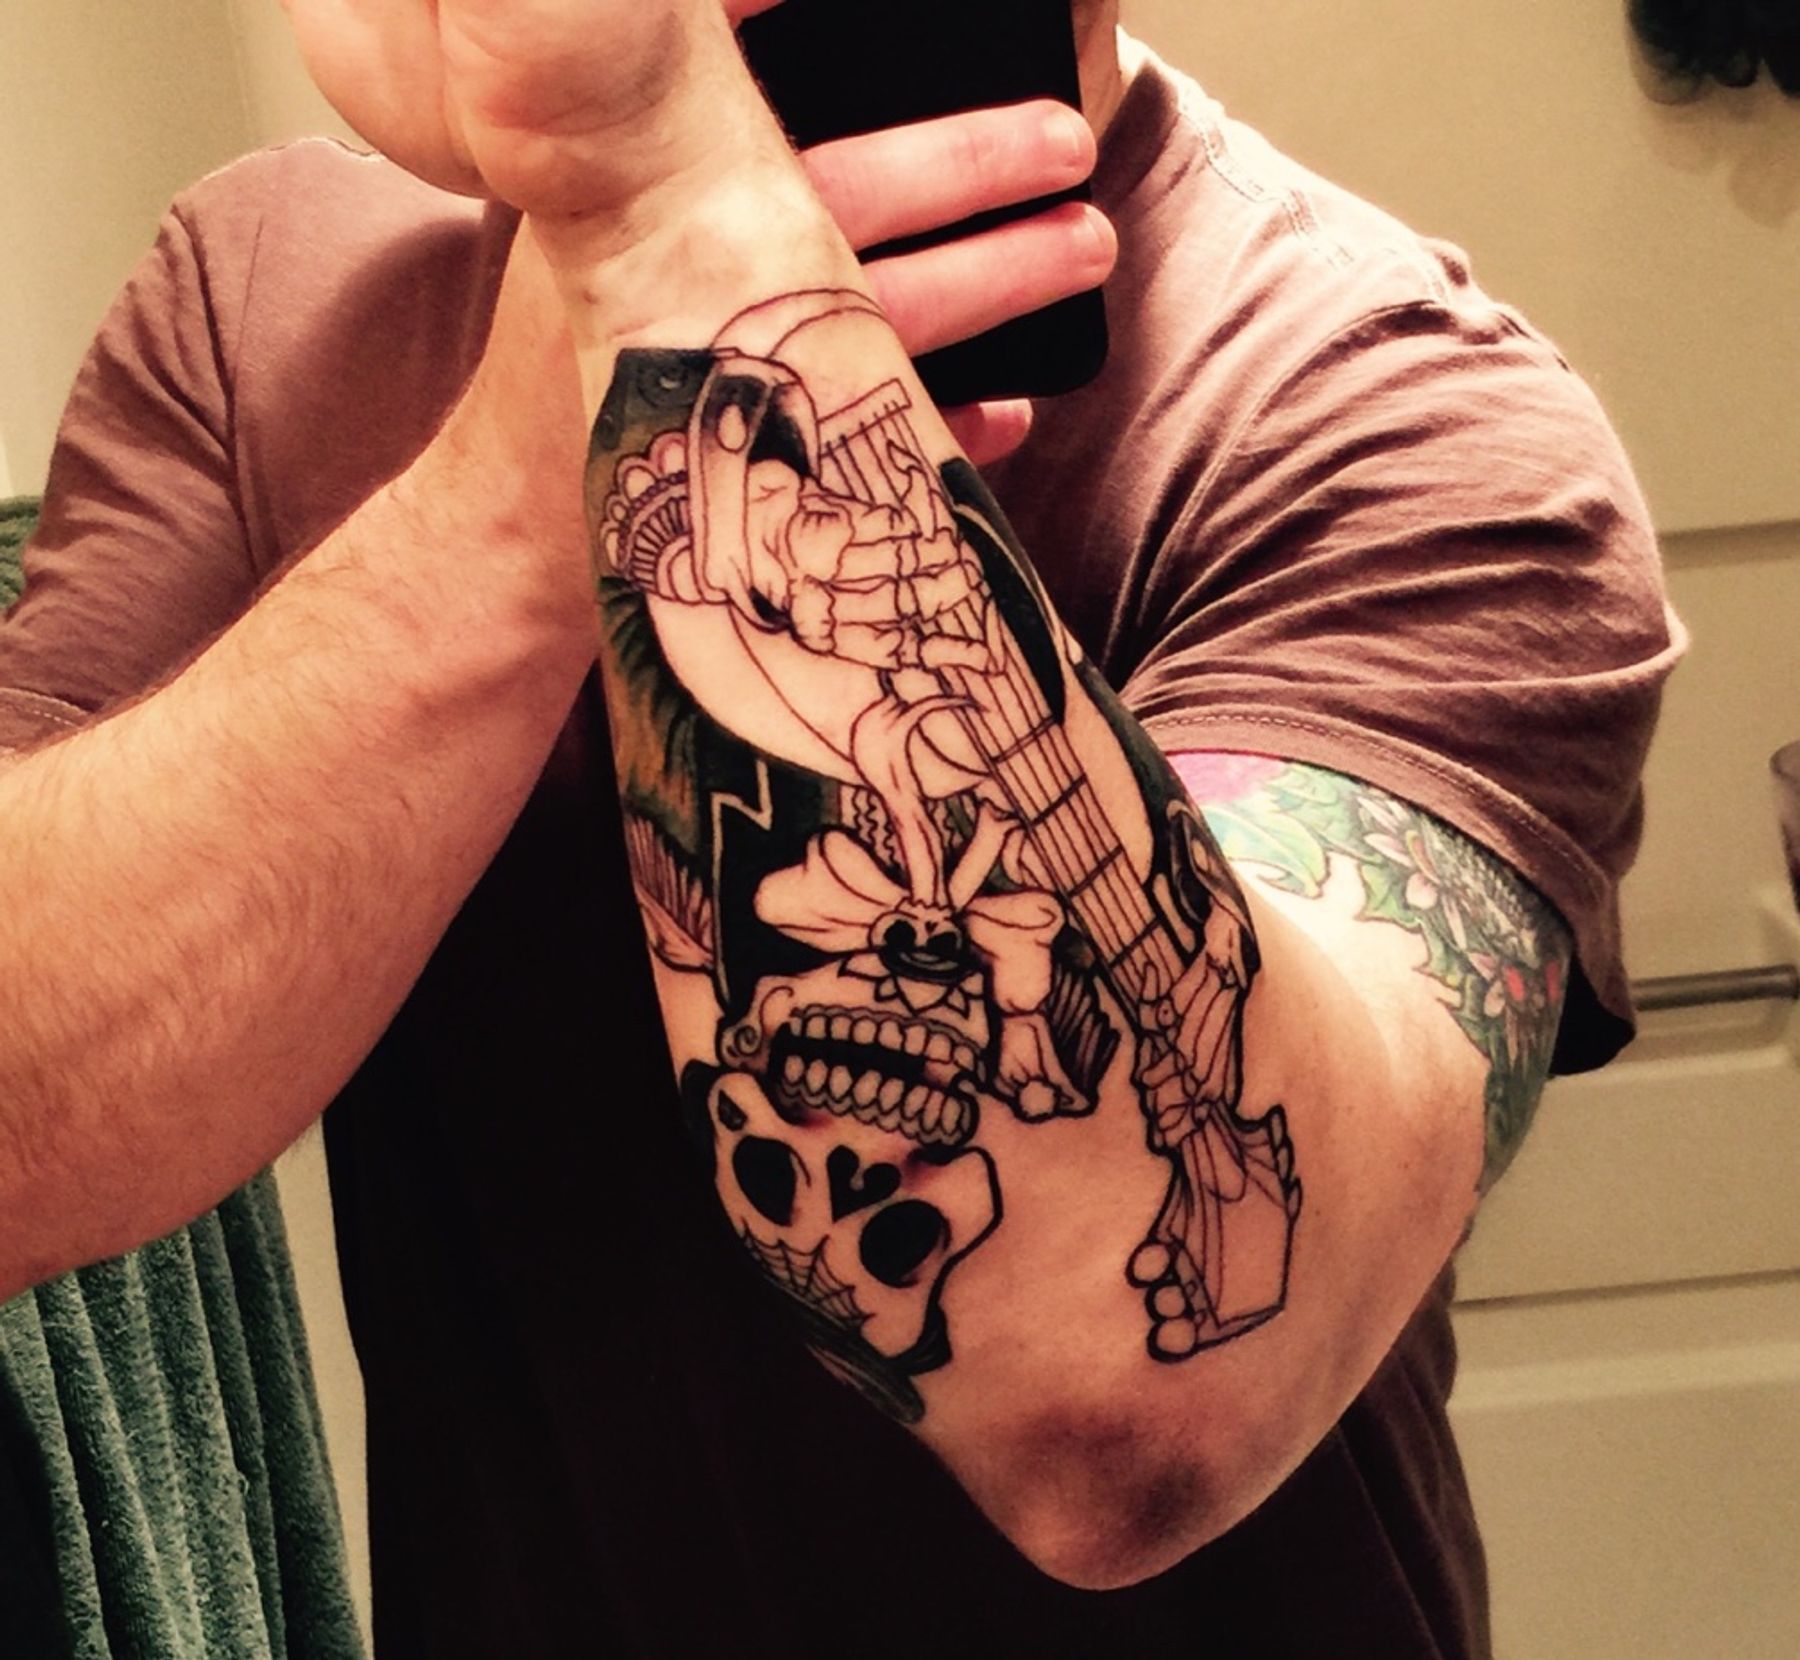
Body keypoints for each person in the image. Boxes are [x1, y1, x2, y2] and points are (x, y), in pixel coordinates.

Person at [0, 1, 1680, 1655]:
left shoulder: (1400, 412)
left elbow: (1125, 1415)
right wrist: (521, 494)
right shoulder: (264, 299)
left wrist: (666, 223)